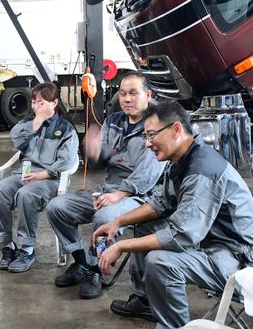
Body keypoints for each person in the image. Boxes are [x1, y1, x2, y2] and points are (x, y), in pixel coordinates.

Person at [93, 101, 253, 329]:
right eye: (145, 136)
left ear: (176, 130)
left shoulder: (202, 169)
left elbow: (181, 235)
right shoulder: (182, 160)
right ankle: (146, 300)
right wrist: (118, 222)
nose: (147, 143)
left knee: (160, 261)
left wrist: (121, 246)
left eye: (151, 135)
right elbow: (160, 204)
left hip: (239, 262)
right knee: (146, 227)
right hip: (211, 245)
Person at [46, 71, 165, 298]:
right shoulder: (114, 121)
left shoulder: (157, 126)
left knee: (104, 217)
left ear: (148, 95)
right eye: (123, 94)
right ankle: (81, 262)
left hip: (140, 197)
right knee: (56, 207)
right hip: (108, 191)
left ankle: (96, 270)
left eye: (133, 93)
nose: (126, 99)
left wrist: (120, 194)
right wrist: (93, 150)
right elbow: (101, 159)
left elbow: (149, 174)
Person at [0, 82, 79, 273]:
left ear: (54, 103)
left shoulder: (66, 129)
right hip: (25, 174)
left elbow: (67, 161)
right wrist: (35, 124)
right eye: (34, 102)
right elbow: (16, 140)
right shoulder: (28, 123)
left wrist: (43, 174)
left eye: (41, 102)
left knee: (26, 195)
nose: (36, 107)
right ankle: (6, 245)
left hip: (50, 179)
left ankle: (26, 249)